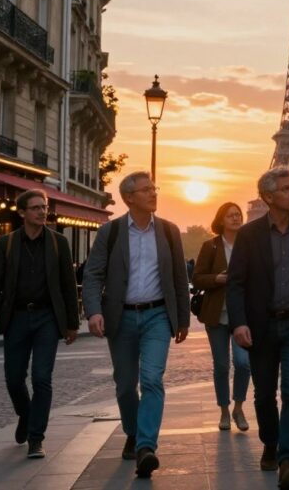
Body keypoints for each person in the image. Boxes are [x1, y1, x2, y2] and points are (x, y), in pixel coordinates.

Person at [82, 172, 190, 478]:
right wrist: (93, 312)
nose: (153, 193)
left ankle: (146, 446)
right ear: (129, 197)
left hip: (157, 315)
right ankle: (132, 431)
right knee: (125, 384)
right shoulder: (111, 232)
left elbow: (180, 279)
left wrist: (182, 318)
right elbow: (93, 274)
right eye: (146, 190)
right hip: (122, 316)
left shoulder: (169, 232)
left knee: (153, 379)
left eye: (154, 188)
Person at [226, 166, 289, 489]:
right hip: (261, 324)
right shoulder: (249, 234)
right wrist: (239, 322)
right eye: (286, 188)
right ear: (268, 197)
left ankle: (288, 458)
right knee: (265, 393)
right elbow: (237, 284)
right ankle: (270, 441)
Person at [0, 190, 79, 459]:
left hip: (47, 318)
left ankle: (36, 438)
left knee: (42, 379)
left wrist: (72, 324)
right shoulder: (7, 243)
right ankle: (26, 415)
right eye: (35, 208)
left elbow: (69, 287)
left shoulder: (58, 243)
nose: (41, 212)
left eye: (44, 207)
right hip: (16, 318)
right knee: (14, 379)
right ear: (22, 212)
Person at [192, 202, 250, 431]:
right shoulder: (211, 246)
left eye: (238, 215)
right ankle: (224, 410)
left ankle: (239, 407)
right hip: (216, 313)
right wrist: (218, 279)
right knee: (222, 366)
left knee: (244, 364)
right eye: (230, 216)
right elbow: (197, 278)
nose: (236, 219)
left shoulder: (249, 246)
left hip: (242, 315)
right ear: (221, 220)